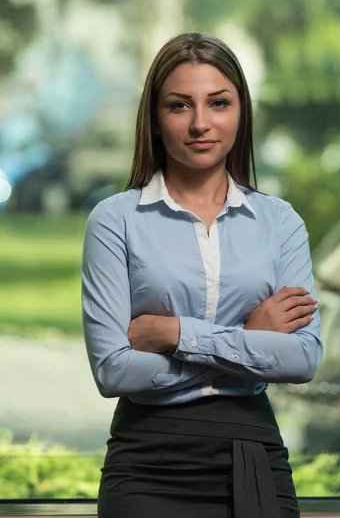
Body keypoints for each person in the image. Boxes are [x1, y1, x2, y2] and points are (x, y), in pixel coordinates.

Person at [81, 32, 323, 518]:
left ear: (241, 113)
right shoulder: (114, 220)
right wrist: (249, 341)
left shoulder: (280, 223)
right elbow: (114, 371)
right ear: (154, 119)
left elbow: (301, 359)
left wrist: (176, 334)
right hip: (145, 462)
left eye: (218, 103)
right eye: (179, 106)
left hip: (251, 454)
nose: (200, 123)